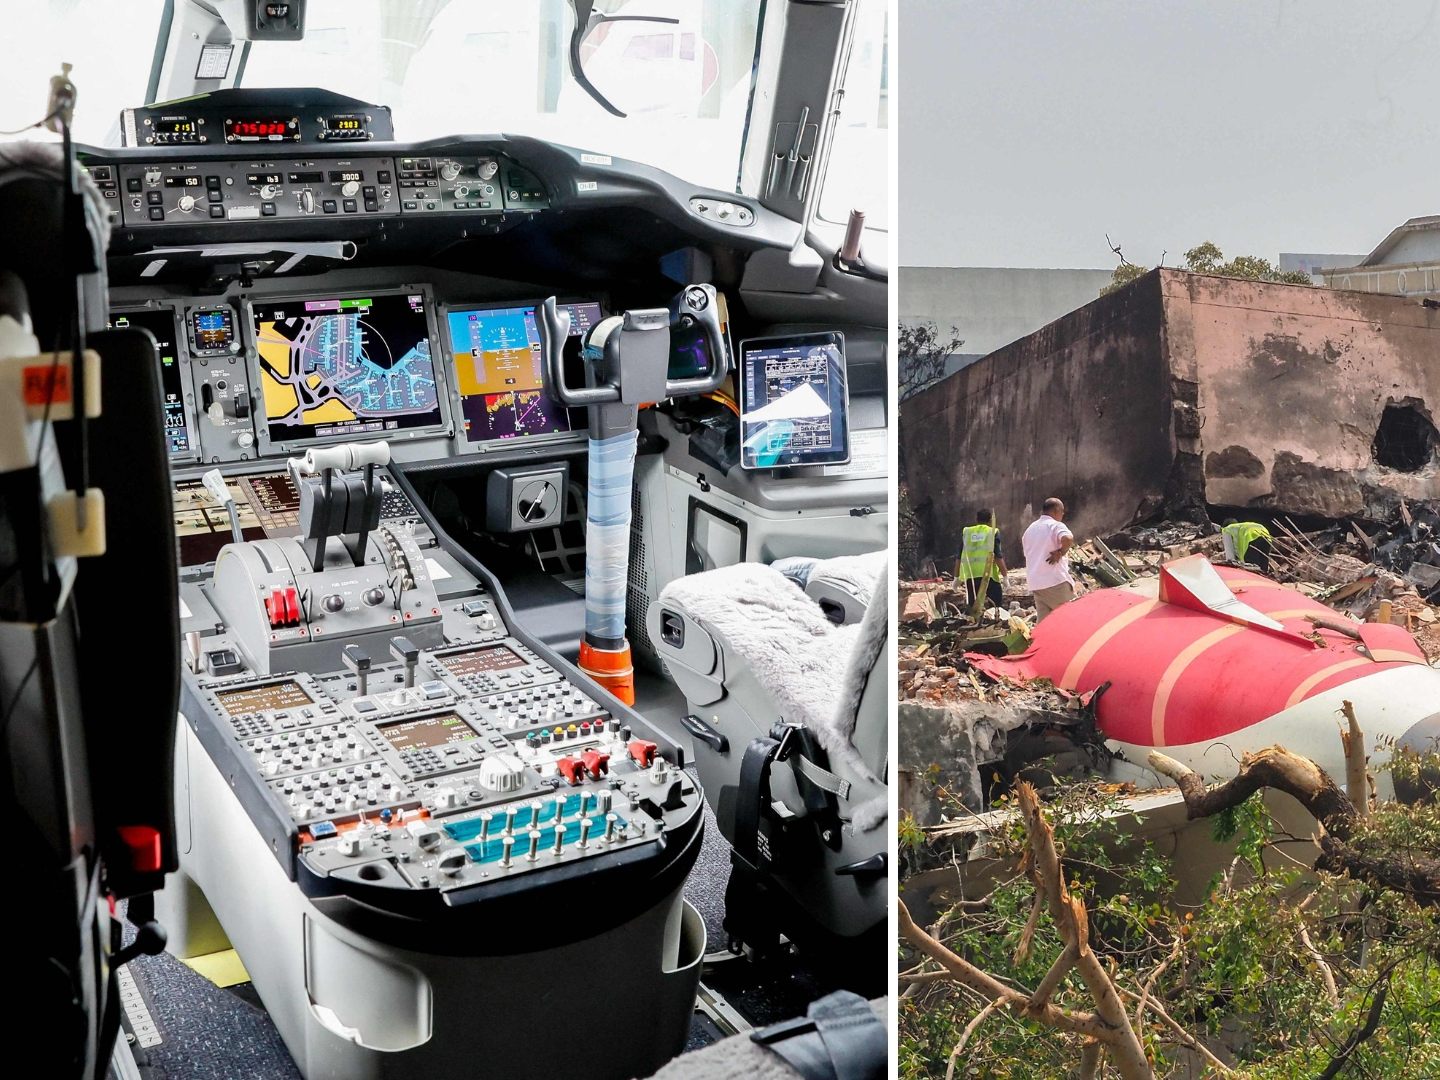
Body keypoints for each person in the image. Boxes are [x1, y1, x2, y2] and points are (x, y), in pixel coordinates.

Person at [1022, 497, 1075, 622]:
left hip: (1036, 584)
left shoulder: (1029, 530)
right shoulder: (1055, 525)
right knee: (1073, 619)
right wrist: (1061, 552)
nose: (1062, 515)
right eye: (1062, 511)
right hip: (1055, 582)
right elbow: (1068, 539)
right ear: (1056, 510)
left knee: (1045, 624)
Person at [956, 508, 1008, 611]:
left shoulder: (967, 532)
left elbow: (959, 556)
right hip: (988, 575)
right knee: (996, 606)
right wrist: (1005, 576)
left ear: (977, 519)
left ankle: (974, 620)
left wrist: (956, 577)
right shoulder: (992, 532)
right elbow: (998, 556)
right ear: (990, 520)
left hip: (971, 576)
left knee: (973, 607)